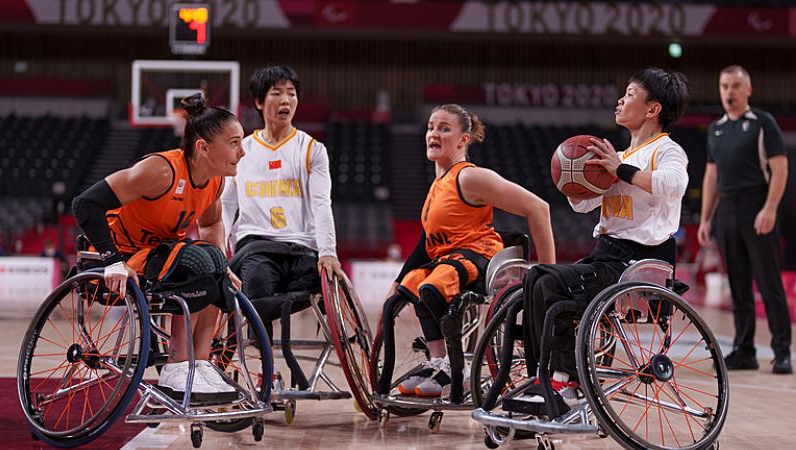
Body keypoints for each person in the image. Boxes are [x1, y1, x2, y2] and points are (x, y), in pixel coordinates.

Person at [519, 68, 690, 411]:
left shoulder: (667, 151)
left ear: (652, 109)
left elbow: (674, 186)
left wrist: (619, 171)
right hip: (607, 255)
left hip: (639, 262)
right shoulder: (621, 157)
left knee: (551, 285)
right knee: (536, 276)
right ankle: (543, 378)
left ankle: (567, 382)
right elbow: (584, 205)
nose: (620, 100)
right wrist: (572, 178)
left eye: (629, 94)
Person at [72, 93, 245, 401]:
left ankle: (200, 362)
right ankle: (176, 367)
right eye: (233, 143)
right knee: (197, 264)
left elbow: (210, 224)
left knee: (217, 269)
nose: (242, 152)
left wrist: (222, 263)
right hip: (114, 257)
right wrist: (112, 262)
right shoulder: (161, 171)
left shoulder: (215, 182)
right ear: (203, 147)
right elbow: (85, 204)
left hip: (157, 257)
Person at [381, 104, 556, 398]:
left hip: (479, 255)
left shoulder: (469, 177)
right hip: (448, 259)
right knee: (412, 287)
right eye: (431, 127)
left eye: (444, 128)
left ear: (464, 139)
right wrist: (398, 282)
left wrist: (547, 274)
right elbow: (426, 243)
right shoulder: (438, 183)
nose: (433, 133)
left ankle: (457, 371)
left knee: (432, 286)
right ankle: (438, 363)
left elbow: (539, 207)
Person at [221, 66, 342, 345]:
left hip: (301, 249)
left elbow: (323, 204)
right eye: (277, 93)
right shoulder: (242, 151)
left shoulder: (313, 149)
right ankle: (266, 369)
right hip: (257, 248)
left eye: (291, 94)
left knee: (318, 283)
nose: (286, 100)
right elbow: (226, 205)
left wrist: (328, 251)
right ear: (260, 102)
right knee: (256, 282)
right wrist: (220, 246)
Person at [698, 65, 792, 374]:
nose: (729, 92)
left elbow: (780, 168)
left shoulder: (763, 123)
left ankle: (781, 352)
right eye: (725, 86)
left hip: (757, 207)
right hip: (727, 210)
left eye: (736, 86)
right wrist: (705, 219)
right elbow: (711, 176)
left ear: (748, 89)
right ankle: (744, 350)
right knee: (737, 285)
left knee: (768, 283)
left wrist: (770, 207)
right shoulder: (716, 129)